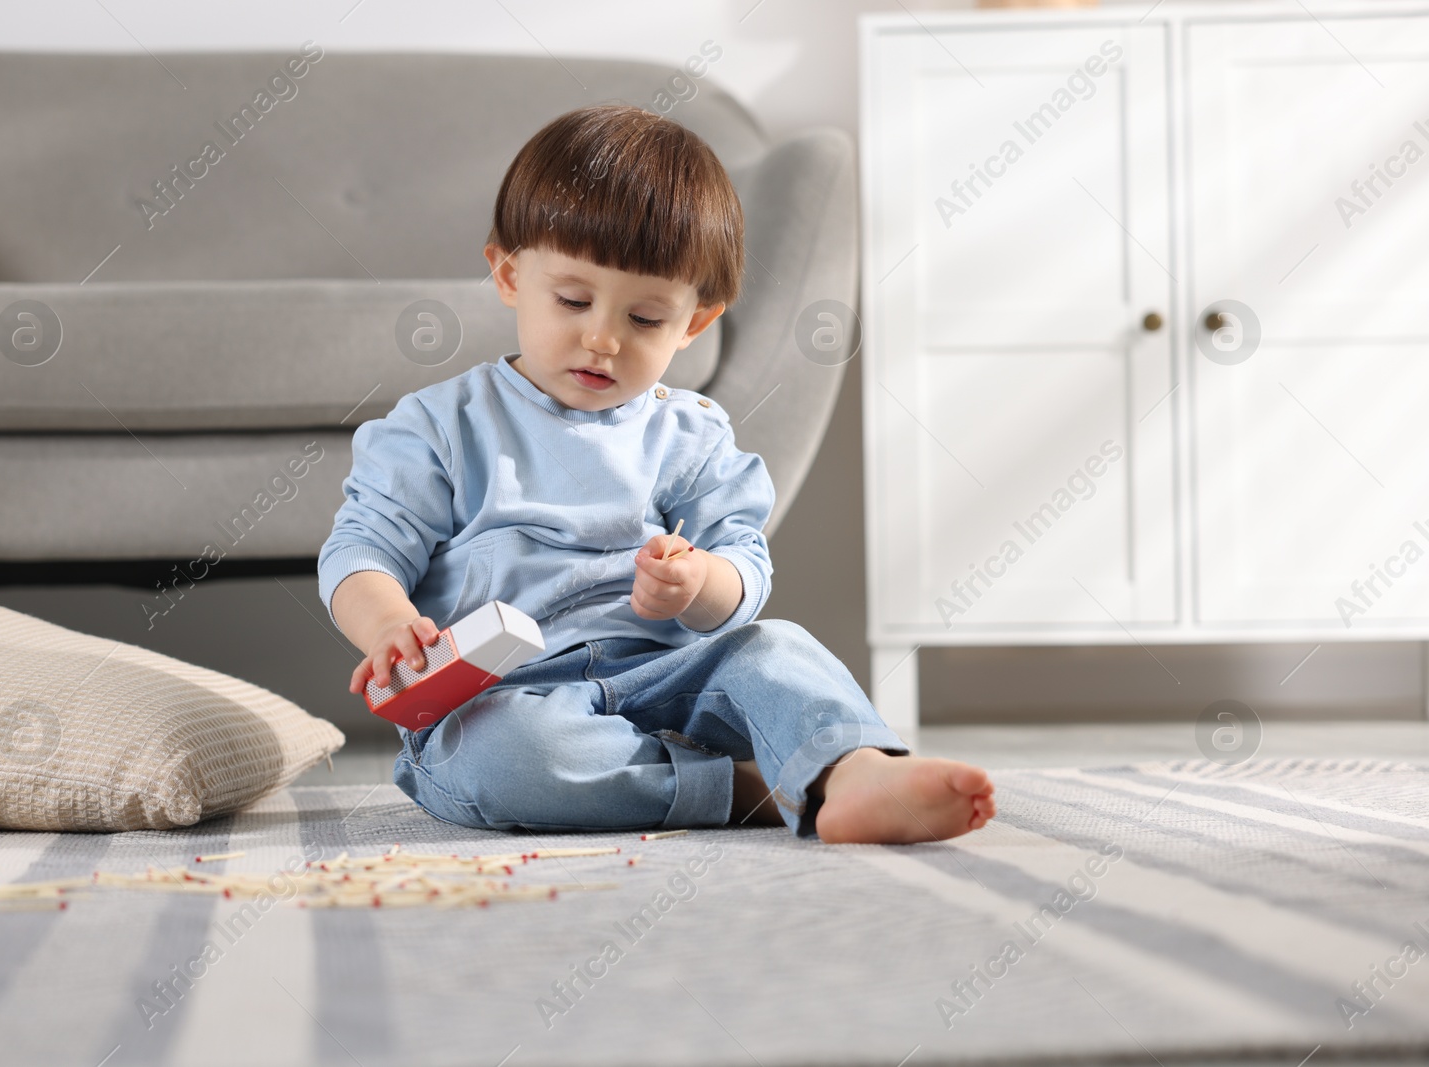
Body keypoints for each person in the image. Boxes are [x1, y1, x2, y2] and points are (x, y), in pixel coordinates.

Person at [318, 103, 995, 843]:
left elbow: (744, 560)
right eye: (572, 300)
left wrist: (701, 581)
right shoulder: (441, 425)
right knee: (511, 759)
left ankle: (853, 766)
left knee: (777, 649)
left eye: (645, 319)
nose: (603, 337)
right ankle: (759, 790)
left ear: (695, 323)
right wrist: (387, 623)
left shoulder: (689, 432)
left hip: (665, 678)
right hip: (508, 697)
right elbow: (364, 548)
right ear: (510, 274)